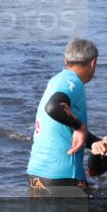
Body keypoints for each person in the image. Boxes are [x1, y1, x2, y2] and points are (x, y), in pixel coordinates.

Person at [27, 38, 100, 195]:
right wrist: (80, 127)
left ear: (66, 60)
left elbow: (66, 127)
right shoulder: (73, 82)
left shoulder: (55, 80)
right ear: (93, 63)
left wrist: (98, 144)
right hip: (64, 177)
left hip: (36, 175)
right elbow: (53, 107)